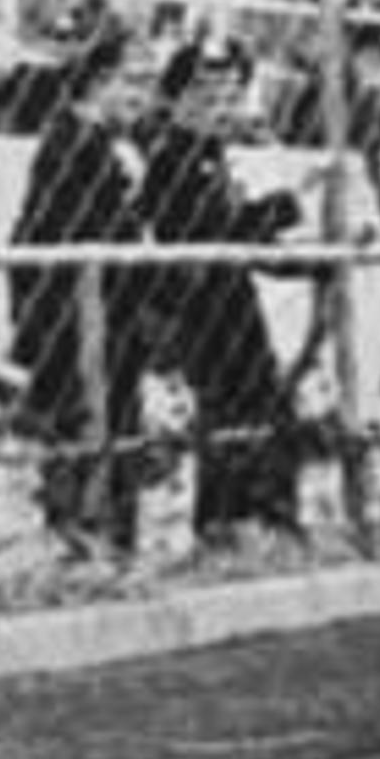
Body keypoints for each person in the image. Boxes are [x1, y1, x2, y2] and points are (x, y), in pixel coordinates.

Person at [133, 33, 314, 544]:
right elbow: (210, 231)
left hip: (226, 295)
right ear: (178, 98)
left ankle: (247, 519)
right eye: (208, 96)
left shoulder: (210, 152)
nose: (222, 107)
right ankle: (232, 521)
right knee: (235, 407)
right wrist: (283, 205)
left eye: (231, 95)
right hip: (197, 302)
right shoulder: (171, 156)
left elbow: (239, 229)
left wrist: (287, 218)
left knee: (258, 405)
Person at [5, 20, 162, 560]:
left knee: (116, 431)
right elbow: (73, 230)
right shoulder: (71, 141)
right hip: (75, 319)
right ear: (99, 80)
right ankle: (86, 544)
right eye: (134, 81)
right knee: (84, 433)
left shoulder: (108, 142)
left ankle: (110, 544)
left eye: (149, 83)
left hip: (108, 317)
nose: (144, 96)